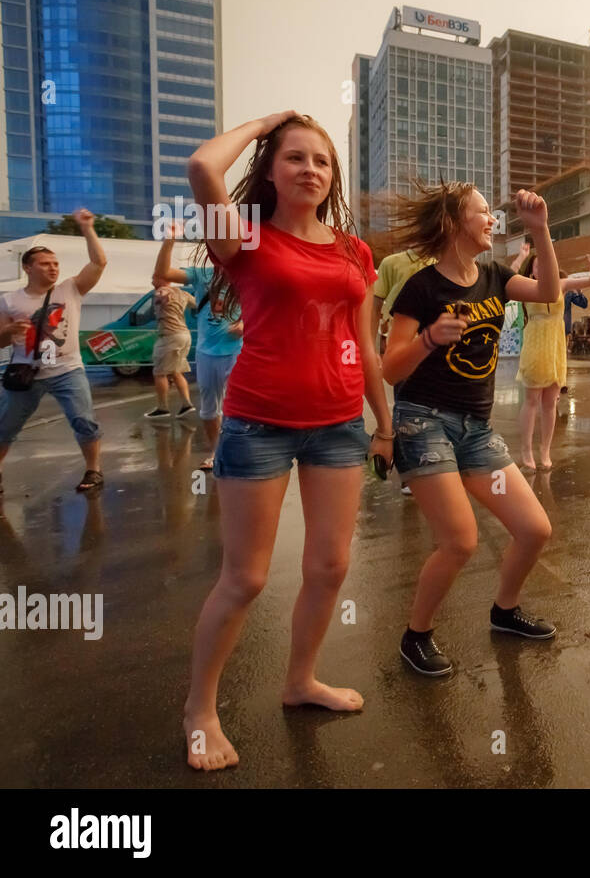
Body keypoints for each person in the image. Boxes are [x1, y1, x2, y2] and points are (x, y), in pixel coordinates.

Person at [182, 110, 392, 771]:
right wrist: (269, 122)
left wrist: (383, 423)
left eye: (322, 161)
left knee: (329, 568)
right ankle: (200, 711)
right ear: (270, 171)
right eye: (295, 157)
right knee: (244, 578)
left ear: (334, 179)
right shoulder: (241, 239)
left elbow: (363, 342)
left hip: (337, 425)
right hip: (258, 422)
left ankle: (301, 681)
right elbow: (201, 167)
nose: (310, 169)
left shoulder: (355, 252)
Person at [382, 185, 560, 678]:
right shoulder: (421, 288)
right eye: (483, 212)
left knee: (534, 529)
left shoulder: (497, 276)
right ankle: (415, 636)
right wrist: (428, 338)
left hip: (476, 433)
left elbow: (549, 293)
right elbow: (390, 369)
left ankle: (505, 611)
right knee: (460, 541)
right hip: (423, 425)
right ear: (456, 222)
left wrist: (540, 229)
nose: (491, 220)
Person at [0, 209, 107, 495]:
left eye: (55, 263)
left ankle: (93, 470)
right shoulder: (9, 300)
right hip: (25, 372)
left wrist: (87, 228)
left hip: (67, 370)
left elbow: (99, 262)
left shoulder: (70, 289)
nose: (53, 268)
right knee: (5, 425)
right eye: (45, 264)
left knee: (84, 421)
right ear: (27, 268)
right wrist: (8, 333)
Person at [153, 225, 244, 469]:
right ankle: (215, 453)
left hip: (236, 351)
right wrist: (170, 240)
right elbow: (162, 272)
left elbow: (266, 306)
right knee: (208, 408)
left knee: (236, 406)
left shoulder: (246, 275)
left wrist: (245, 324)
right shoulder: (202, 275)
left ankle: (237, 453)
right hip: (206, 353)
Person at [516, 254, 590, 470]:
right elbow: (509, 275)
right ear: (532, 270)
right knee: (532, 400)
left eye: (546, 264)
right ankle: (526, 451)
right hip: (535, 343)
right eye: (537, 265)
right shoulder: (526, 285)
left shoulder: (561, 284)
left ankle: (545, 450)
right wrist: (521, 257)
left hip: (556, 346)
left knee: (551, 401)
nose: (542, 268)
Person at [144, 277, 197, 420]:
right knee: (176, 371)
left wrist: (163, 296)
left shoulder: (161, 291)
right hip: (184, 335)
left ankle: (163, 408)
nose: (152, 281)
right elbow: (197, 304)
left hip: (169, 336)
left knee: (159, 373)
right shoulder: (183, 293)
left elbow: (162, 296)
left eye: (154, 278)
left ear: (162, 278)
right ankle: (187, 404)